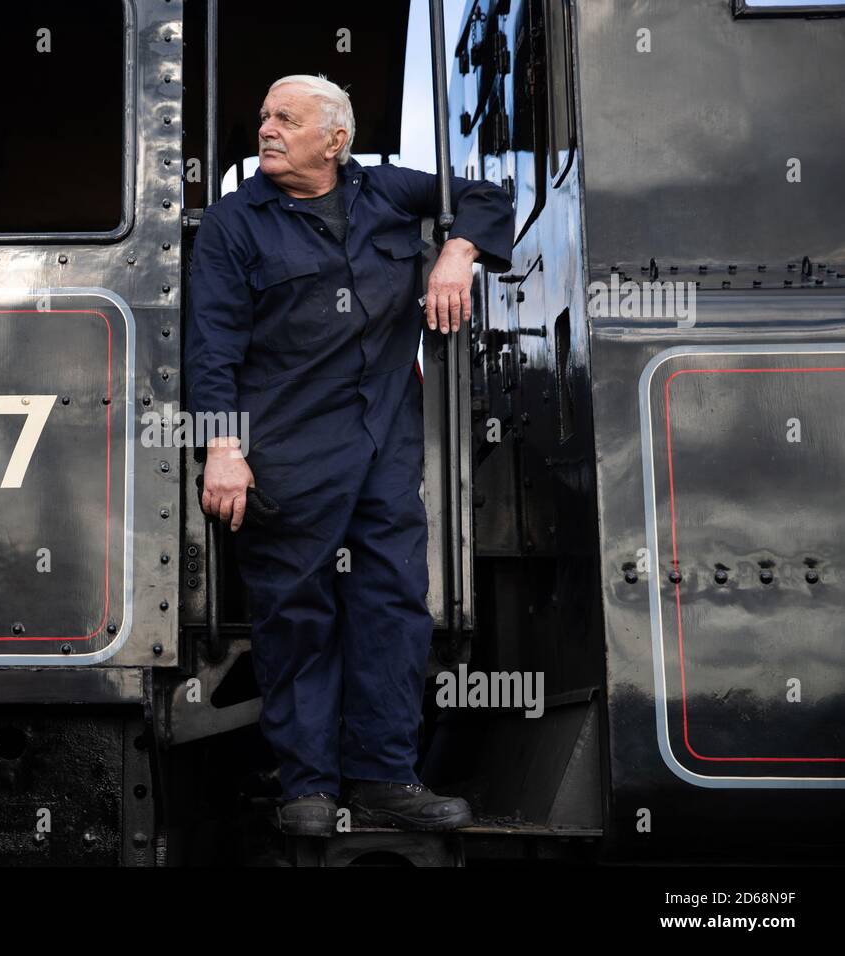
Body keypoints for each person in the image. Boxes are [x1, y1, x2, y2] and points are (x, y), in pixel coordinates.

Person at [186, 74, 514, 837]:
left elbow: (486, 195)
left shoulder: (388, 191)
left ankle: (383, 778)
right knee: (296, 614)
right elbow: (212, 348)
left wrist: (457, 251)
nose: (266, 129)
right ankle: (306, 787)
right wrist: (223, 449)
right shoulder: (236, 223)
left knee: (392, 607)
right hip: (286, 452)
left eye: (285, 118)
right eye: (264, 116)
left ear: (335, 140)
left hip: (384, 448)